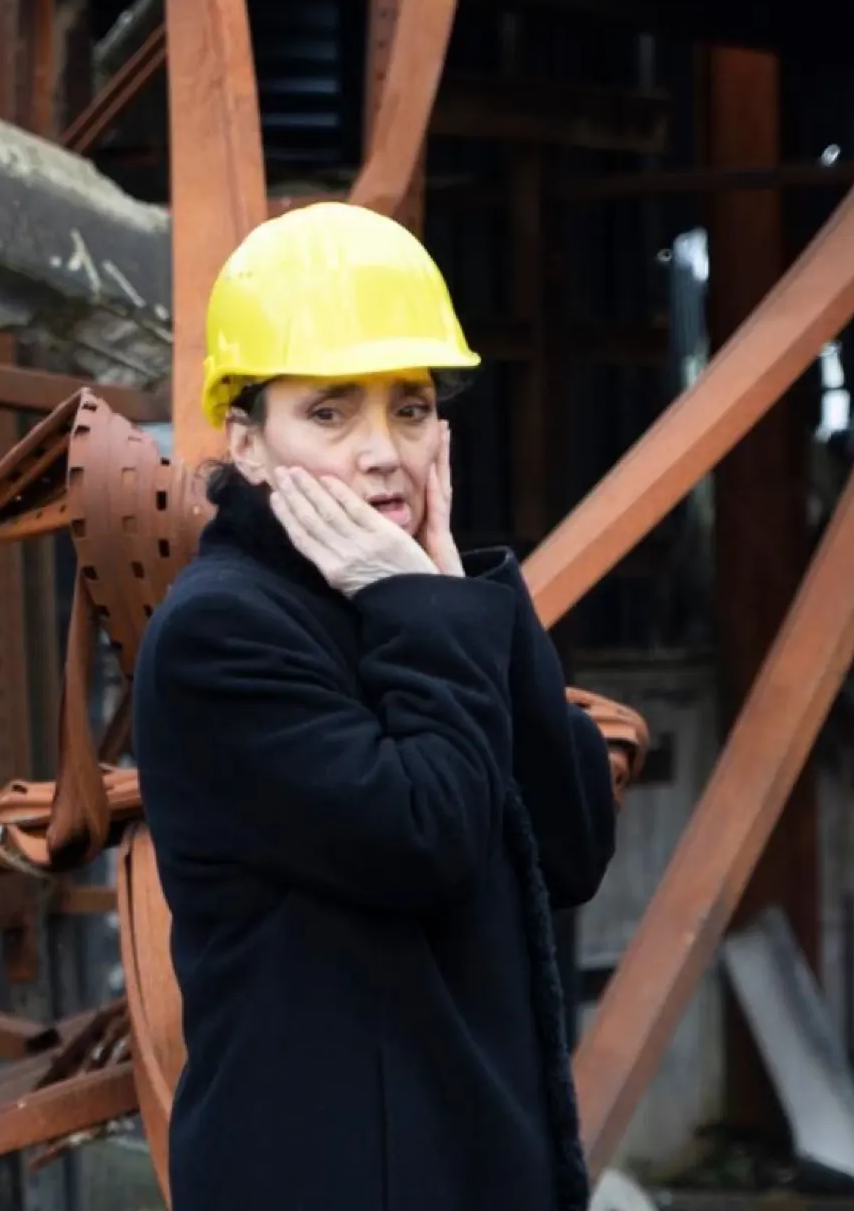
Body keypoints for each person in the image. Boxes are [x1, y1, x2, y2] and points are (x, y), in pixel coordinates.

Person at [130, 201, 616, 1210]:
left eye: (410, 407)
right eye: (329, 412)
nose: (382, 449)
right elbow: (426, 836)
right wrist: (421, 607)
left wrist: (456, 589)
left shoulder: (413, 602)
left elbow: (569, 846)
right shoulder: (222, 633)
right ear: (247, 443)